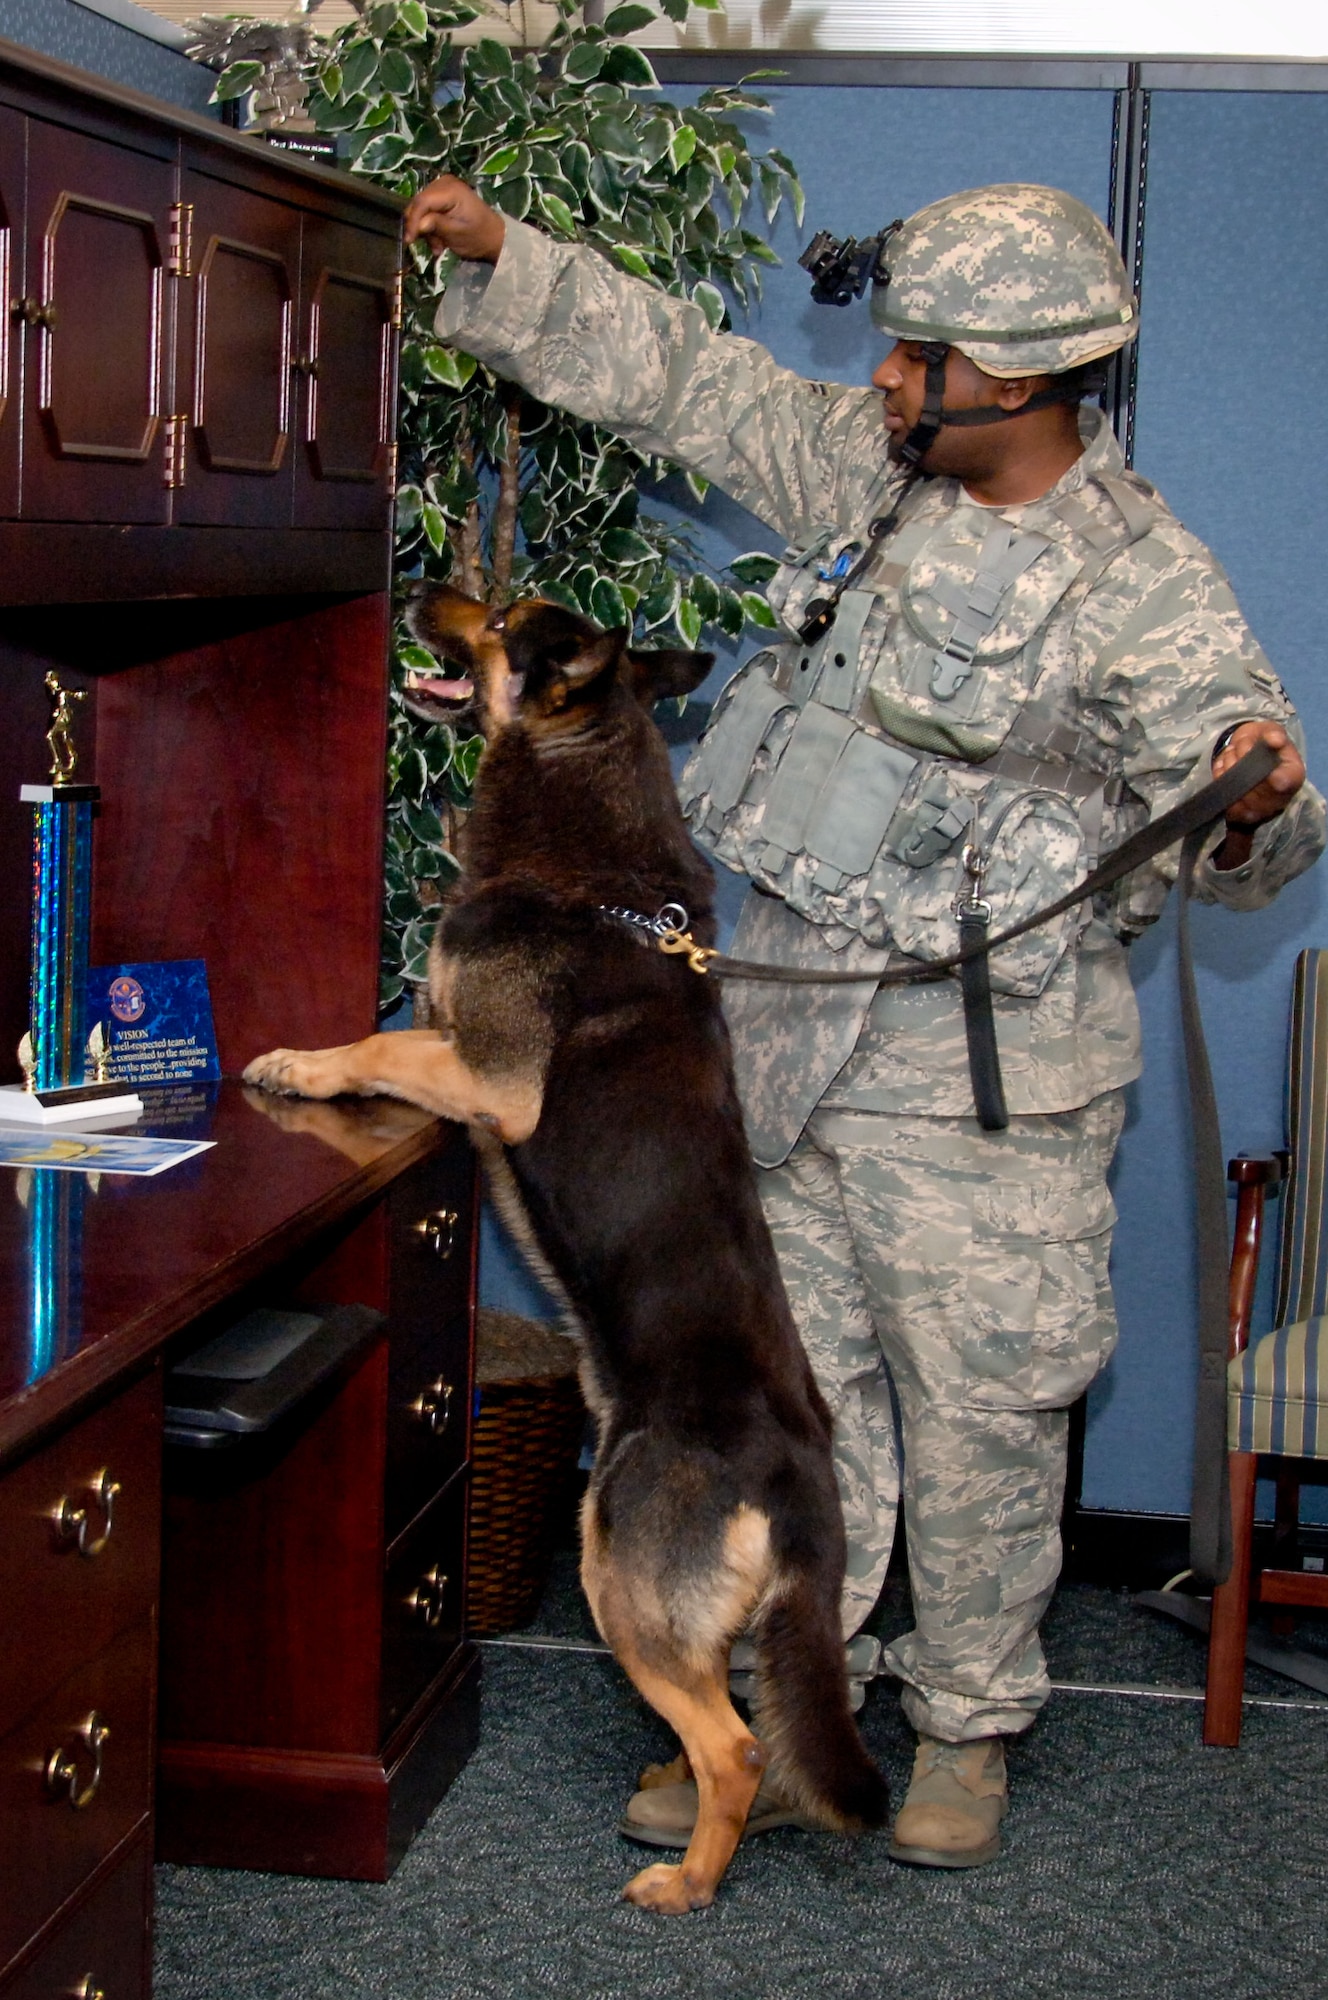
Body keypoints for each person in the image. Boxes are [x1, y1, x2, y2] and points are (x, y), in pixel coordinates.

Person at [403, 174, 1324, 1867]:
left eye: (925, 356)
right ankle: (763, 1712)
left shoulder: (1146, 587)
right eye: (895, 352)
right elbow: (685, 375)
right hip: (786, 1049)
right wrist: (507, 261)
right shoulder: (873, 478)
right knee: (781, 1416)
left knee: (981, 1416)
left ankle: (968, 1725)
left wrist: (1254, 804)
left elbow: (1257, 816)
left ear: (1030, 378)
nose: (888, 381)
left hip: (990, 1086)